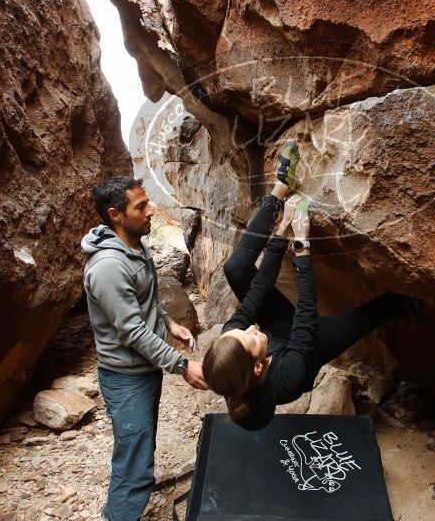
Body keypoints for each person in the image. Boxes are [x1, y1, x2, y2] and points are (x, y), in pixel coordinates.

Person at [203, 140, 413, 431]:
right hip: (309, 343)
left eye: (242, 331)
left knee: (236, 269)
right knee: (384, 305)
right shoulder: (290, 377)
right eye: (251, 337)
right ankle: (401, 306)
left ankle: (280, 187)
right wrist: (302, 243)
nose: (251, 327)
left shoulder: (232, 340)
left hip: (278, 326)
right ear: (259, 366)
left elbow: (257, 290)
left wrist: (282, 228)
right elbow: (305, 313)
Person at [81, 176, 208, 521]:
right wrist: (182, 365)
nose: (151, 210)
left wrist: (169, 323)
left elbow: (144, 301)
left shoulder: (136, 245)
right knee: (135, 461)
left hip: (142, 370)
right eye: (141, 206)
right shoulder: (109, 266)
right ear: (115, 215)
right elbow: (132, 330)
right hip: (126, 378)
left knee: (138, 447)